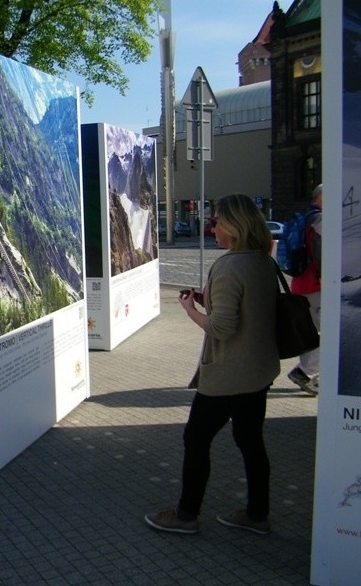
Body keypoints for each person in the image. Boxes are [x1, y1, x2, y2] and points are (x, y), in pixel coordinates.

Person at [145, 194, 279, 535]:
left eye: (217, 220)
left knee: (196, 439)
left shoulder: (228, 265)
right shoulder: (263, 260)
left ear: (234, 226)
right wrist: (212, 300)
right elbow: (246, 309)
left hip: (227, 375)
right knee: (251, 442)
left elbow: (221, 327)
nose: (211, 226)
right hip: (259, 371)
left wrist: (191, 310)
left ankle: (186, 515)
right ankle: (257, 514)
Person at [287, 184, 322, 396]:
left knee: (314, 330)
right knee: (322, 332)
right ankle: (305, 372)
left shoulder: (307, 218)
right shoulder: (319, 221)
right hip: (315, 285)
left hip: (303, 283)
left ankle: (312, 374)